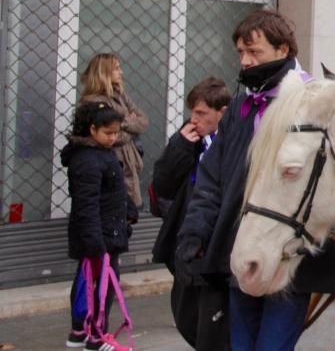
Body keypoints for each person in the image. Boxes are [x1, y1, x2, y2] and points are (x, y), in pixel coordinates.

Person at [176, 9, 335, 351]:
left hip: (288, 256)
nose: (246, 61)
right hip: (240, 251)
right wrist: (195, 231)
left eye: (255, 52)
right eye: (241, 53)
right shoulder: (241, 107)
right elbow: (211, 180)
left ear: (283, 50)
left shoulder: (313, 104)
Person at [151, 77, 231, 350]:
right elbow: (162, 184)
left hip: (215, 243)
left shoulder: (233, 142)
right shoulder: (188, 140)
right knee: (185, 313)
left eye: (201, 113)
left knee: (212, 320)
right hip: (186, 237)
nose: (193, 119)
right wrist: (180, 148)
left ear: (222, 112)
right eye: (192, 112)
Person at [61, 100, 130, 350]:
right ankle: (96, 336)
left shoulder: (100, 154)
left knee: (88, 283)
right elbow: (86, 205)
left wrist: (127, 213)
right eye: (108, 133)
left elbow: (112, 191)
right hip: (99, 236)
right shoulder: (88, 160)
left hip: (104, 232)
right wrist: (95, 243)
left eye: (116, 132)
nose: (113, 138)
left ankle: (80, 332)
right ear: (92, 130)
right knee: (101, 287)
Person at [80, 53, 148, 221]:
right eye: (117, 68)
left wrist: (121, 124)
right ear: (104, 72)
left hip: (128, 160)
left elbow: (143, 121)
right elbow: (111, 136)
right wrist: (127, 124)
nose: (121, 72)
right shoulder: (94, 101)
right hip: (112, 160)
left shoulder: (119, 95)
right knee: (115, 210)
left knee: (127, 213)